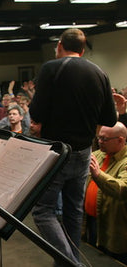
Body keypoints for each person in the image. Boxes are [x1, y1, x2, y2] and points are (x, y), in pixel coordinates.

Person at [29, 28, 117, 266]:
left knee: (42, 211)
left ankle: (72, 264)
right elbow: (109, 119)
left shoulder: (50, 68)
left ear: (59, 45)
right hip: (83, 152)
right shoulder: (100, 73)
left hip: (57, 152)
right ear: (83, 48)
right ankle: (71, 260)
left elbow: (36, 111)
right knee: (73, 211)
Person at [82, 122, 127, 264]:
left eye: (104, 139)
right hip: (90, 221)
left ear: (120, 140)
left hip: (112, 227)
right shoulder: (99, 154)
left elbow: (122, 189)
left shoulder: (125, 162)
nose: (100, 142)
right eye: (98, 138)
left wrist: (98, 174)